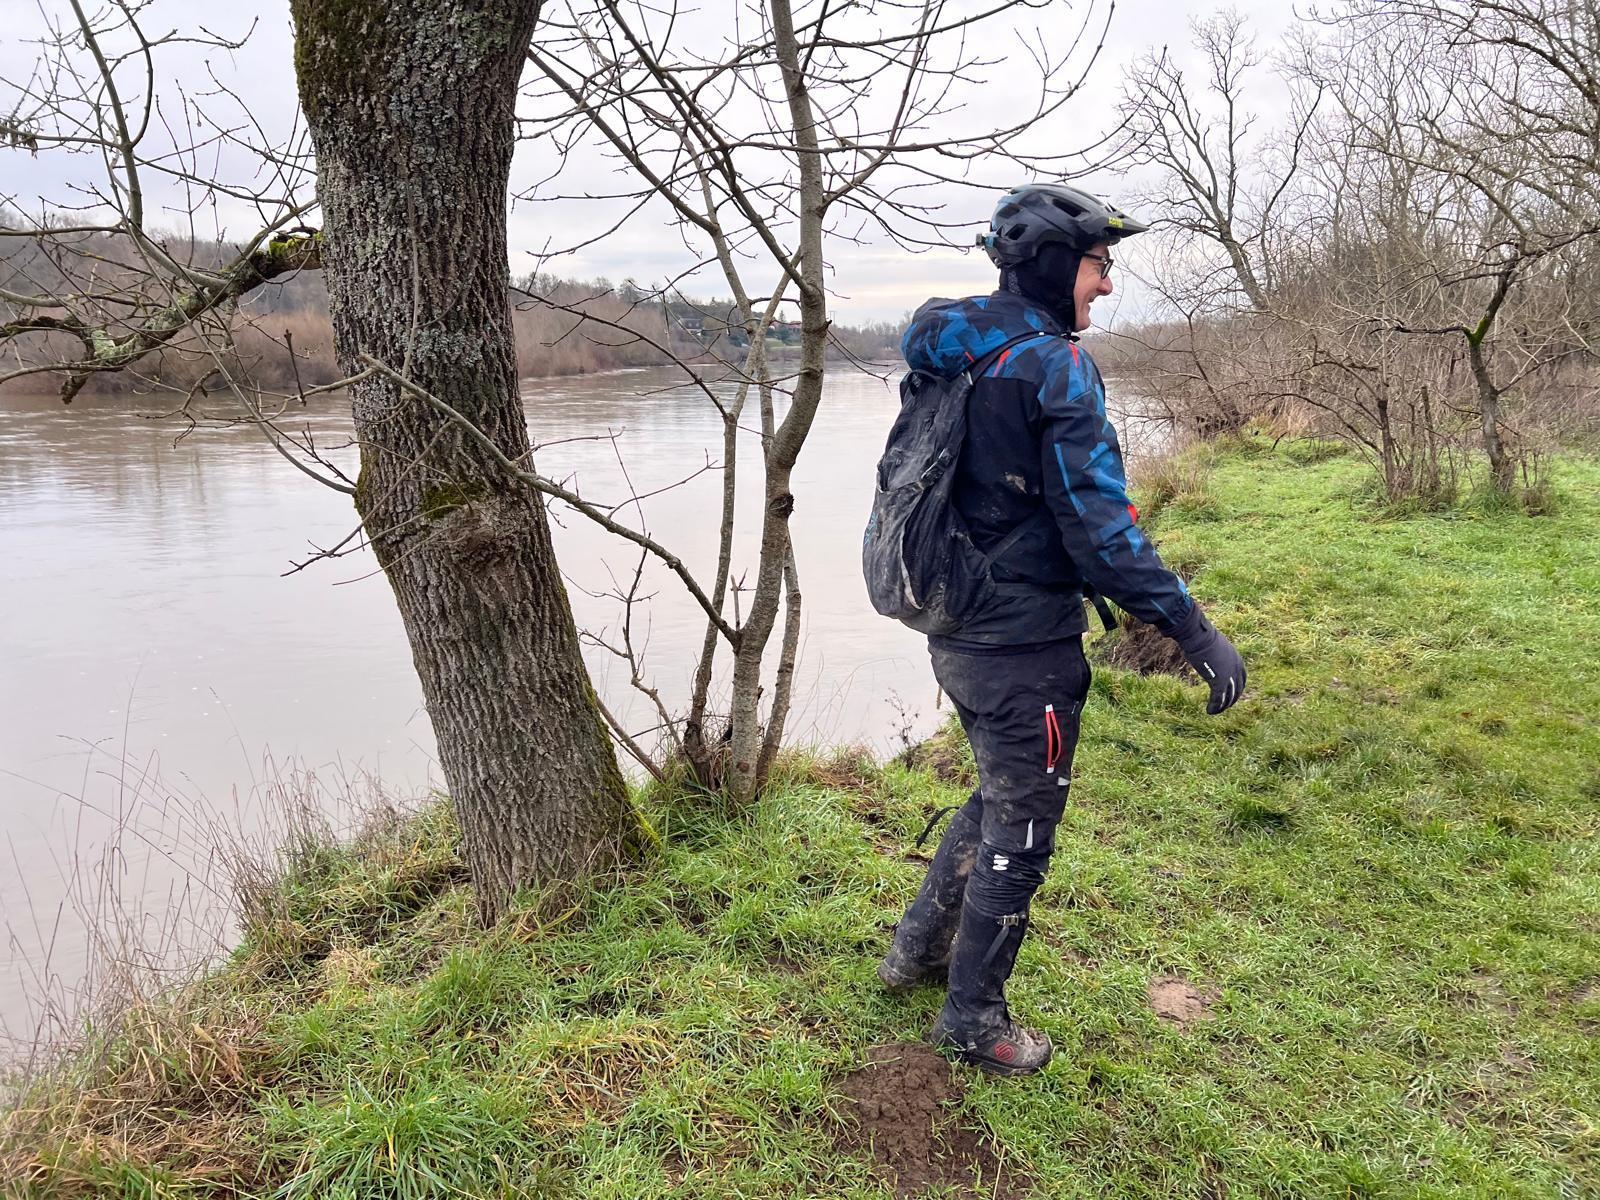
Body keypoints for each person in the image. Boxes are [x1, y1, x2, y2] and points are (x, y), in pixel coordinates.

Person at [877, 182, 1248, 1076]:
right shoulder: (1052, 366)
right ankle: (973, 1020)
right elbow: (1103, 529)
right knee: (1024, 829)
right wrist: (1194, 630)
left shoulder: (956, 348)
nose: (1107, 285)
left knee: (1000, 792)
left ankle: (918, 949)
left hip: (954, 620)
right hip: (1021, 642)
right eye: (1098, 265)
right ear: (1052, 265)